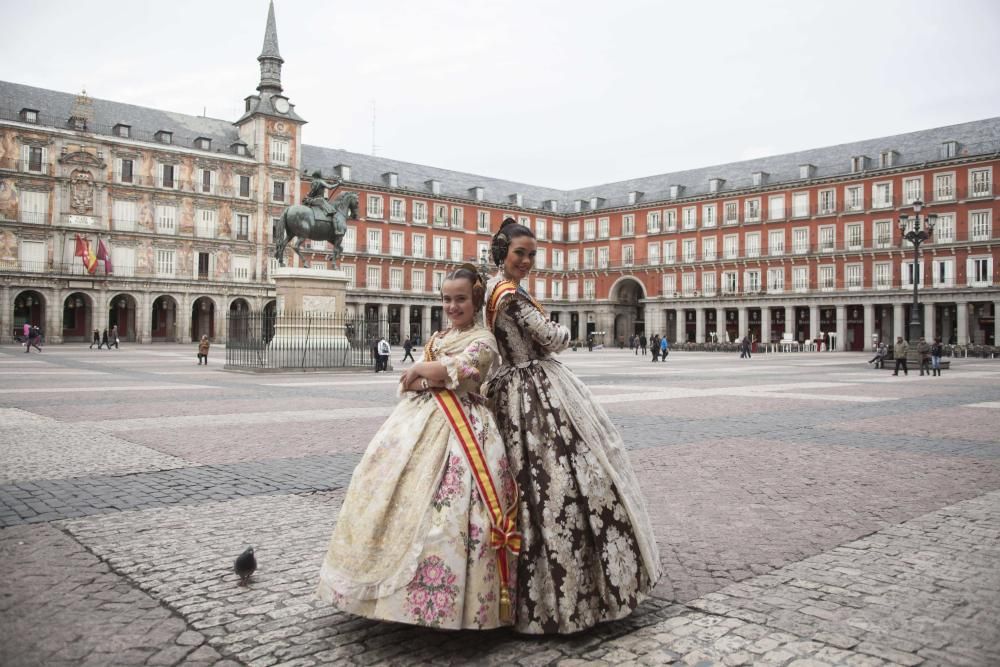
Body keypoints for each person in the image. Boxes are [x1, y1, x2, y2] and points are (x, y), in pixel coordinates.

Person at [484, 218, 660, 635]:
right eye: (519, 254)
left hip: (510, 387)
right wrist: (561, 331)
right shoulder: (510, 295)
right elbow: (553, 338)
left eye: (531, 254)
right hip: (534, 389)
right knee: (566, 478)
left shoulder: (492, 287)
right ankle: (571, 593)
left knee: (528, 481)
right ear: (502, 252)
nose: (526, 261)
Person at [317, 265, 518, 630]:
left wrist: (425, 369)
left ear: (475, 300)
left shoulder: (485, 340)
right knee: (386, 487)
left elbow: (462, 370)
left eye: (460, 299)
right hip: (420, 422)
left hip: (465, 432)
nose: (453, 306)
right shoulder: (439, 336)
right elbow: (424, 379)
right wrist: (423, 375)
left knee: (450, 510)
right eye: (446, 299)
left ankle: (448, 600)